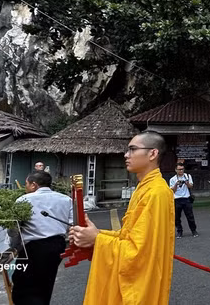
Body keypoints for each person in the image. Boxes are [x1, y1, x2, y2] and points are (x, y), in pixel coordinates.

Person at [70, 131, 174, 305]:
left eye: (132, 149)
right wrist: (96, 234)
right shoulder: (144, 188)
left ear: (153, 153)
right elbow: (129, 235)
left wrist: (98, 239)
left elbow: (139, 253)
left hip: (141, 287)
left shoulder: (156, 193)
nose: (126, 155)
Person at [12, 171, 72, 305]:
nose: (25, 187)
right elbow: (72, 223)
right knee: (47, 280)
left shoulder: (24, 200)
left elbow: (14, 227)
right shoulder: (66, 199)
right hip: (58, 245)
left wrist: (14, 246)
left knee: (25, 285)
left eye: (26, 184)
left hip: (33, 247)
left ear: (34, 185)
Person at [170, 164, 198, 238]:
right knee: (177, 217)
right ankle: (179, 231)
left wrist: (187, 183)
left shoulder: (187, 176)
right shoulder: (172, 179)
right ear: (176, 170)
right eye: (179, 169)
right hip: (177, 199)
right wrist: (176, 184)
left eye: (182, 169)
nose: (181, 171)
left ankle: (193, 230)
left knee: (190, 216)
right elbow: (172, 191)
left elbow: (191, 186)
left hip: (186, 198)